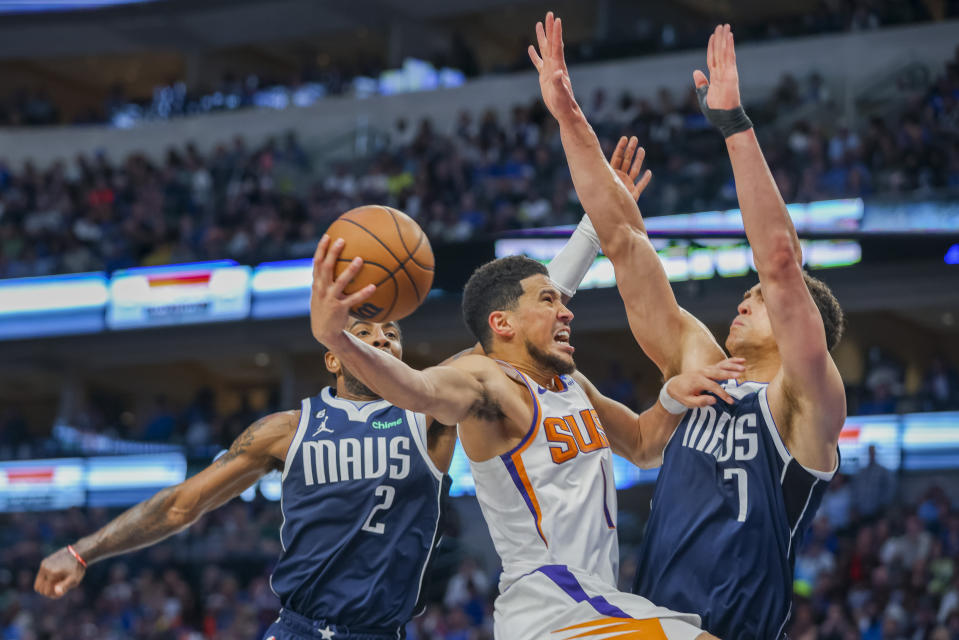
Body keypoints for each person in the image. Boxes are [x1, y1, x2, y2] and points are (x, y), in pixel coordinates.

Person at [310, 164, 743, 640]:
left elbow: (642, 444)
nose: (567, 309)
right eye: (549, 302)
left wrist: (671, 399)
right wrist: (339, 339)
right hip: (553, 609)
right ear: (502, 325)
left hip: (591, 601)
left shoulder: (571, 384)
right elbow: (420, 389)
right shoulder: (486, 382)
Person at [528, 15, 847, 638]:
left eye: (759, 300)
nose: (745, 301)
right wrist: (569, 119)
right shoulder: (698, 363)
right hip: (651, 625)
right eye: (747, 294)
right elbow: (622, 239)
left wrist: (733, 125)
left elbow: (781, 265)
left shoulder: (805, 407)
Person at [35, 319, 456, 640]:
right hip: (299, 629)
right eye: (364, 332)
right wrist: (80, 551)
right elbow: (182, 504)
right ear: (333, 359)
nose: (383, 339)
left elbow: (490, 355)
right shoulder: (286, 429)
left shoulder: (431, 416)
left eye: (391, 333)